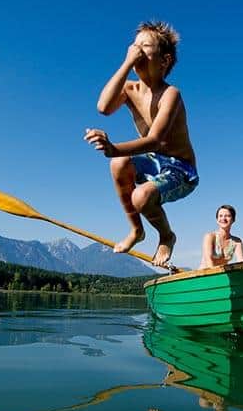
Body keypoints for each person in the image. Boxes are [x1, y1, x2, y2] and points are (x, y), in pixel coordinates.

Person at [85, 21, 198, 267]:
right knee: (118, 164)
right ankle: (136, 230)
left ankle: (167, 235)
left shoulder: (171, 94)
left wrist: (113, 147)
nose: (136, 51)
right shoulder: (130, 88)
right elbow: (103, 108)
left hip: (181, 169)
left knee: (141, 196)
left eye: (144, 47)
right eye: (133, 46)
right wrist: (126, 64)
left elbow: (155, 139)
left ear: (164, 60)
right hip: (155, 161)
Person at [200, 205, 243, 269]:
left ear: (233, 219)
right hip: (205, 276)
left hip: (222, 275)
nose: (223, 218)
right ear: (217, 220)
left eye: (227, 216)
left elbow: (241, 262)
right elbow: (209, 261)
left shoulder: (237, 241)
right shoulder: (210, 237)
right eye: (220, 216)